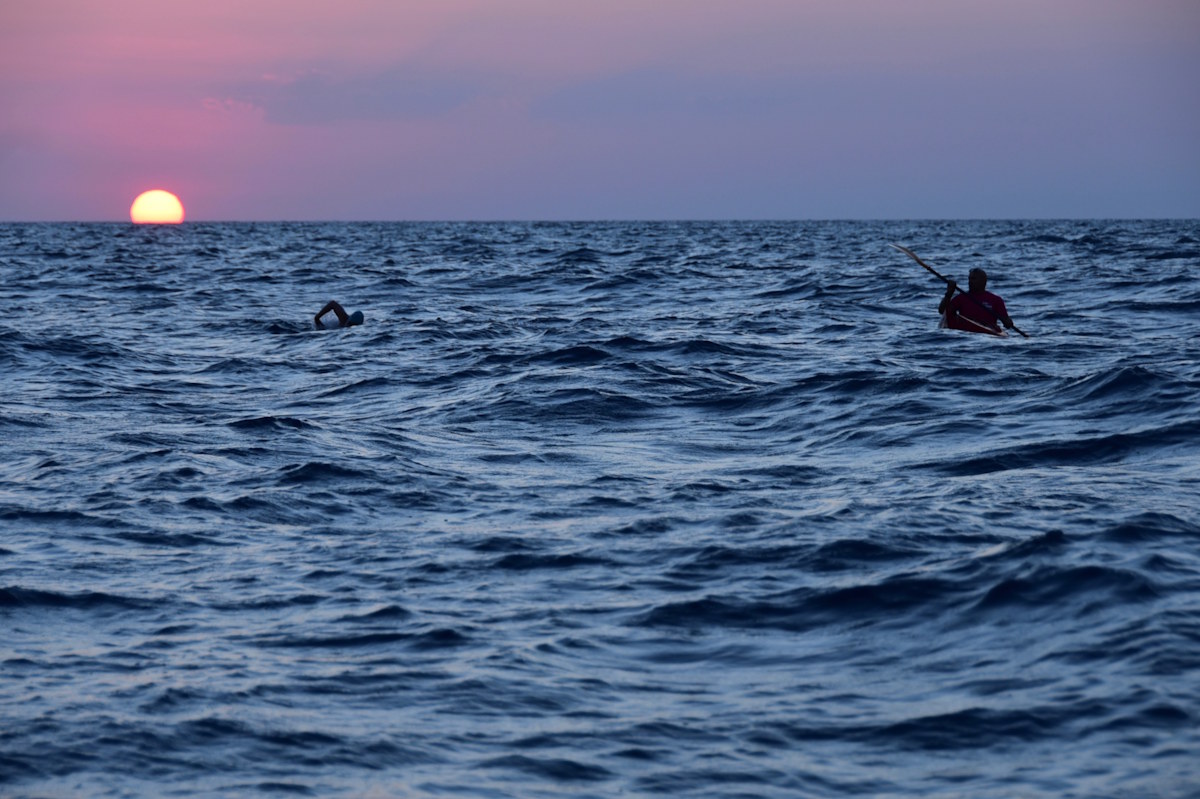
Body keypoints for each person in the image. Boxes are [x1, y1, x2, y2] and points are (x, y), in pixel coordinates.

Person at [938, 267, 1015, 335]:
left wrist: (1008, 322)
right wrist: (949, 293)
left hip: (988, 334)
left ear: (983, 281)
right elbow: (942, 311)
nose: (970, 281)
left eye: (973, 279)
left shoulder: (996, 300)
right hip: (966, 333)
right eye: (969, 279)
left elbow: (1007, 323)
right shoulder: (961, 298)